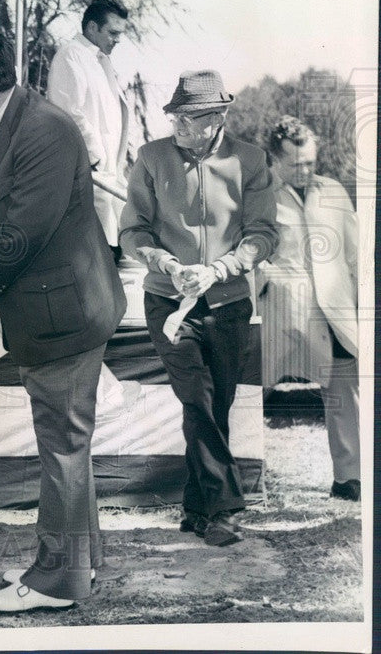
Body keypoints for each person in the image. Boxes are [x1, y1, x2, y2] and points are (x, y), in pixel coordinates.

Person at [0, 33, 126, 612]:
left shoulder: (44, 127)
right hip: (49, 311)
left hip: (64, 315)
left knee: (62, 445)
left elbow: (24, 229)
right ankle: (81, 563)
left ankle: (56, 581)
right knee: (68, 443)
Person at [119, 70, 278, 547]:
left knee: (215, 405)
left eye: (190, 119)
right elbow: (132, 231)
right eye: (176, 117)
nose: (179, 127)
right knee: (198, 397)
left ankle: (195, 506)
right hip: (167, 304)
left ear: (218, 118)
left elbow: (264, 234)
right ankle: (226, 509)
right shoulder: (150, 158)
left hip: (229, 303)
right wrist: (165, 261)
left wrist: (222, 268)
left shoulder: (251, 161)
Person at [259, 117, 359, 501]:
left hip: (335, 311)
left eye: (310, 163)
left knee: (343, 389)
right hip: (283, 312)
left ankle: (349, 477)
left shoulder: (333, 191)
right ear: (274, 161)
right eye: (295, 164)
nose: (304, 171)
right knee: (257, 391)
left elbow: (354, 254)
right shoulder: (260, 197)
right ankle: (240, 475)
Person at [47, 0, 130, 262]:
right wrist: (95, 158)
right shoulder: (71, 55)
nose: (118, 40)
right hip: (89, 173)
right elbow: (69, 112)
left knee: (110, 251)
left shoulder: (99, 61)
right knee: (92, 255)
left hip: (107, 176)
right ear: (92, 28)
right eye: (113, 33)